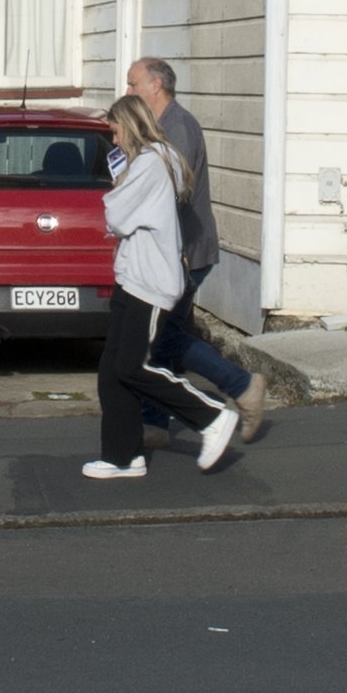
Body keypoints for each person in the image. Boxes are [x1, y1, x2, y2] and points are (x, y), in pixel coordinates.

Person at [88, 95, 237, 479]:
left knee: (133, 367)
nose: (115, 141)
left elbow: (117, 216)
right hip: (133, 276)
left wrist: (119, 180)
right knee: (112, 371)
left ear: (131, 125)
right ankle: (123, 457)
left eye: (116, 132)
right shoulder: (154, 160)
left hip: (150, 283)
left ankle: (212, 417)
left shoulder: (151, 164)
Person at [128, 57, 270, 443]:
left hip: (186, 253)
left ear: (156, 85)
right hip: (170, 253)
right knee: (163, 336)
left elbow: (173, 189)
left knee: (164, 337)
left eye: (133, 83)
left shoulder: (179, 127)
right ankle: (154, 423)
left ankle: (241, 385)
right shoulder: (158, 127)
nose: (128, 92)